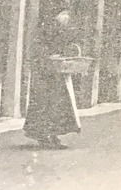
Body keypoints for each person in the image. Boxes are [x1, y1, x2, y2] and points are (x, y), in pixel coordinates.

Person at [23, 8, 82, 149]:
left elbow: (66, 45)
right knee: (44, 104)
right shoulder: (46, 29)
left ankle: (53, 135)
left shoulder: (60, 30)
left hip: (56, 72)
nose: (65, 19)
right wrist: (49, 55)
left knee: (58, 105)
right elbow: (38, 48)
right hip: (44, 72)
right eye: (63, 15)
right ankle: (44, 135)